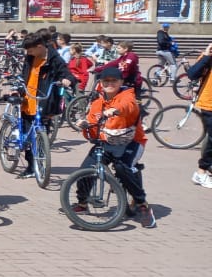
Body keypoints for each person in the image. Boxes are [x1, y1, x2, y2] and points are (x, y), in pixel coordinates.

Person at [70, 65, 156, 228]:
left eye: (114, 81)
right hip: (106, 142)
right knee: (85, 169)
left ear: (121, 82)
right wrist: (85, 126)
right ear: (100, 83)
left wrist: (115, 110)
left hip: (131, 142)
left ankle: (142, 205)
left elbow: (128, 107)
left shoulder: (128, 96)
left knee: (123, 168)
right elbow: (92, 132)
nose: (109, 84)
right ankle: (82, 202)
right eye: (106, 81)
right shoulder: (97, 103)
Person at [13, 33, 74, 179]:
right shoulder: (30, 57)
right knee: (28, 137)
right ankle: (30, 167)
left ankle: (38, 164)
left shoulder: (55, 59)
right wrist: (19, 88)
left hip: (43, 102)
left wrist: (67, 80)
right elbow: (25, 75)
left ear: (40, 47)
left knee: (40, 136)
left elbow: (66, 73)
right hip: (28, 100)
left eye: (30, 50)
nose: (28, 53)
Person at [188, 42, 212, 189]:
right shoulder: (208, 56)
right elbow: (192, 74)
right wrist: (206, 56)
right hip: (209, 103)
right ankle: (201, 172)